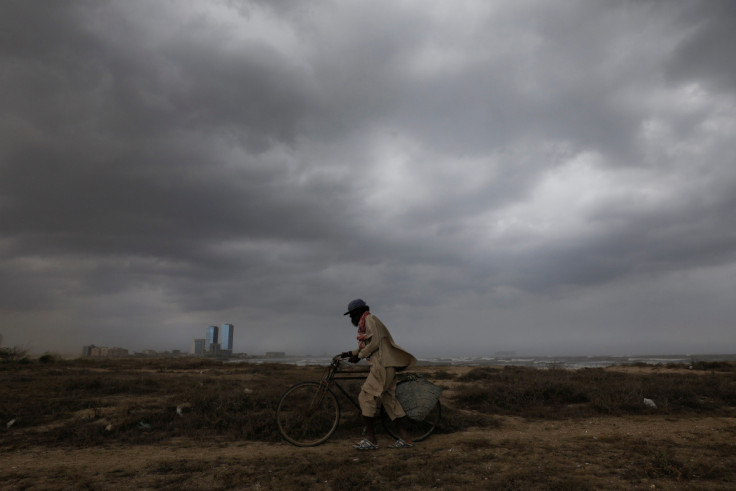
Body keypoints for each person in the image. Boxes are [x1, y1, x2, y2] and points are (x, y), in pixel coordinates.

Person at [337, 298, 417, 450]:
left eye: (351, 314)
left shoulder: (369, 319)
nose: (350, 318)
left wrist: (359, 356)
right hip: (386, 365)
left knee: (365, 396)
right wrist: (349, 353)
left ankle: (371, 439)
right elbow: (367, 345)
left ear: (357, 312)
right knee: (389, 401)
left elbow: (374, 344)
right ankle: (406, 438)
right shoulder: (365, 323)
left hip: (382, 365)